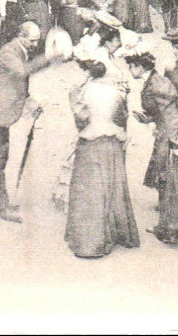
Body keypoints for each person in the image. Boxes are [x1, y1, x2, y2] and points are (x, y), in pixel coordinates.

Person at [0, 22, 57, 223]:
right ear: (21, 35)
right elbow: (22, 72)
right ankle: (1, 207)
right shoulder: (9, 52)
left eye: (38, 40)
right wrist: (50, 56)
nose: (36, 44)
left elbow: (18, 83)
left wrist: (31, 103)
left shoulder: (19, 50)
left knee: (0, 157)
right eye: (32, 40)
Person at [64, 58, 140, 258]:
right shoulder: (117, 93)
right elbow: (122, 119)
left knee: (88, 193)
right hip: (110, 144)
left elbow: (80, 119)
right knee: (111, 189)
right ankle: (113, 233)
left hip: (89, 144)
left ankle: (86, 241)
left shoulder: (81, 92)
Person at [129, 50, 178, 245]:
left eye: (131, 66)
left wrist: (175, 142)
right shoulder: (153, 81)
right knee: (167, 179)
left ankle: (175, 230)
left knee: (175, 180)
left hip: (177, 132)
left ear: (139, 67)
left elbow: (171, 113)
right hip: (170, 130)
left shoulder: (158, 83)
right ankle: (168, 226)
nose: (130, 70)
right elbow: (162, 111)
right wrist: (147, 118)